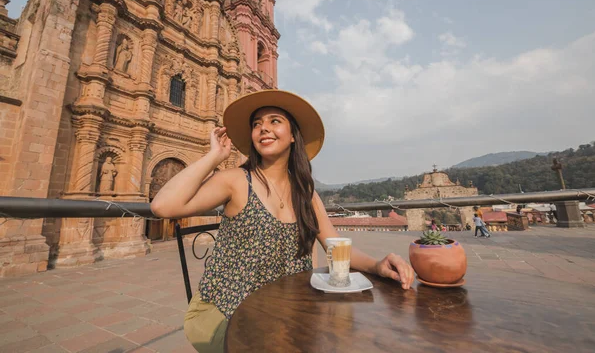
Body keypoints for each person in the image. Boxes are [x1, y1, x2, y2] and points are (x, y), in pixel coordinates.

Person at [150, 90, 415, 352]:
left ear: (292, 136)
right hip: (226, 309)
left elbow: (336, 245)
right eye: (257, 124)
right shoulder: (236, 181)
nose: (263, 129)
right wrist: (213, 157)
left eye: (274, 121)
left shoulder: (305, 193)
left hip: (284, 310)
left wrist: (378, 265)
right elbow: (163, 206)